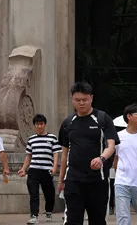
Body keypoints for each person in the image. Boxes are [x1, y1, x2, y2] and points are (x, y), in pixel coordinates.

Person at [58, 82, 118, 225]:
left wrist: (101, 158)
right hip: (73, 180)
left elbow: (111, 146)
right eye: (77, 100)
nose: (81, 103)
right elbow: (64, 154)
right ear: (72, 99)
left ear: (91, 98)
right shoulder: (68, 123)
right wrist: (61, 181)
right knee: (72, 221)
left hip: (98, 181)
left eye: (84, 100)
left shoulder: (103, 119)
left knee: (97, 221)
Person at [19, 114, 62, 224]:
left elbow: (56, 153)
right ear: (34, 125)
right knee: (33, 194)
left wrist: (54, 167)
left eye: (41, 124)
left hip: (47, 170)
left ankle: (48, 211)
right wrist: (24, 168)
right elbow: (28, 155)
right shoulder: (31, 139)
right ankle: (34, 216)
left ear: (45, 124)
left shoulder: (52, 138)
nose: (39, 126)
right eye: (37, 124)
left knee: (49, 194)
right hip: (34, 170)